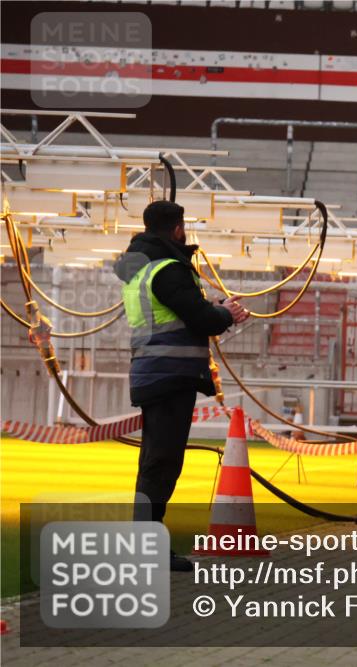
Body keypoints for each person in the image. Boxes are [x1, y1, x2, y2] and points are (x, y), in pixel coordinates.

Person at [114, 200, 249, 572]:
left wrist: (215, 309)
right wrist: (227, 314)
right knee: (162, 463)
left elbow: (181, 312)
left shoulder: (141, 269)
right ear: (177, 229)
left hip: (154, 372)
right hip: (169, 375)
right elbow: (202, 318)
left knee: (155, 462)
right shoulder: (169, 270)